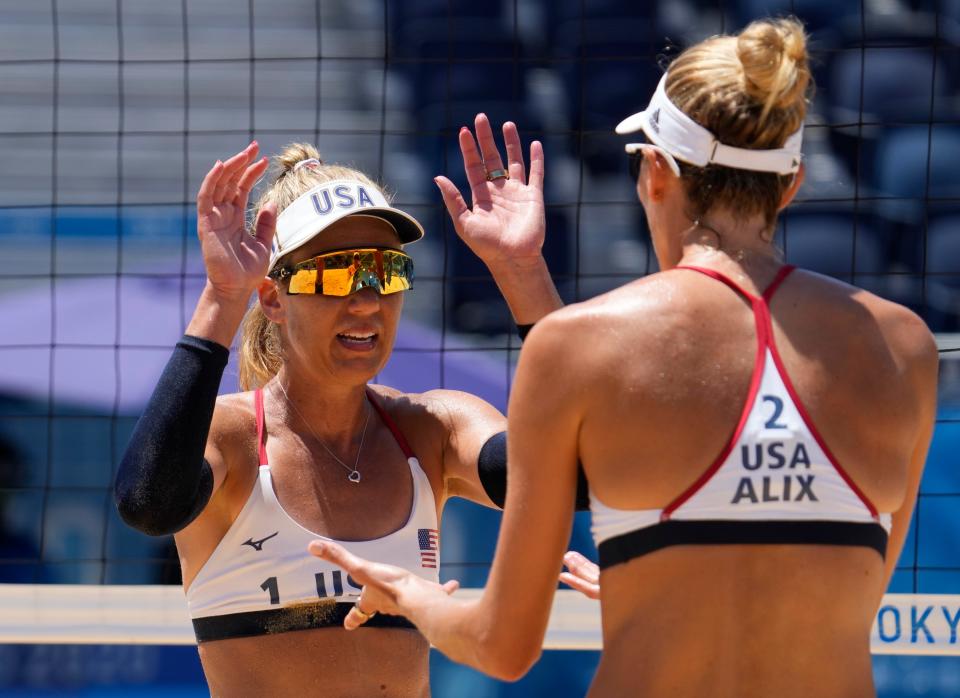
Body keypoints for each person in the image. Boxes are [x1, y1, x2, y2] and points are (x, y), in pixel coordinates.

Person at [310, 18, 939, 697]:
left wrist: (410, 594)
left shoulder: (580, 344)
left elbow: (502, 646)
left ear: (656, 172)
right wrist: (671, 586)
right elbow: (842, 601)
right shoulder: (904, 348)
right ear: (791, 186)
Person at [114, 117, 590, 696]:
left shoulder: (434, 429)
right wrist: (222, 297)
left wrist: (522, 272)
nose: (368, 300)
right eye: (337, 273)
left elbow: (582, 474)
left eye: (387, 271)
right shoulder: (234, 436)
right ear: (273, 298)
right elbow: (147, 505)